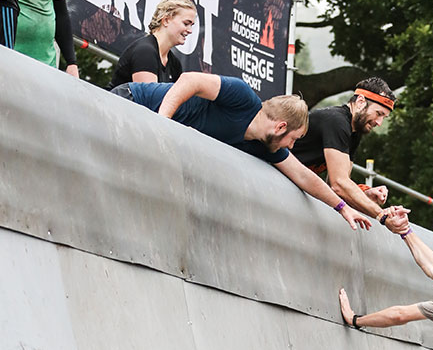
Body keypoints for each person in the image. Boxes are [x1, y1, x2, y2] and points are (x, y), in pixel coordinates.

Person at [112, 72, 372, 231]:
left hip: (153, 137)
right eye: (292, 139)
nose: (292, 147)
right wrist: (162, 122)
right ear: (281, 126)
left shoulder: (264, 147)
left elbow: (304, 176)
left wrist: (342, 208)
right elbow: (190, 80)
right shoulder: (242, 97)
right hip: (133, 101)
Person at [291, 77, 403, 226]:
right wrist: (381, 215)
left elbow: (337, 186)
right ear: (361, 102)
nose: (379, 122)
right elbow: (339, 184)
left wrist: (366, 193)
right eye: (378, 113)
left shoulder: (354, 133)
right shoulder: (336, 121)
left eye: (384, 117)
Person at [106, 0, 195, 89]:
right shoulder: (145, 51)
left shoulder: (175, 64)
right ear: (166, 20)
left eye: (192, 25)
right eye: (186, 23)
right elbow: (147, 100)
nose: (190, 30)